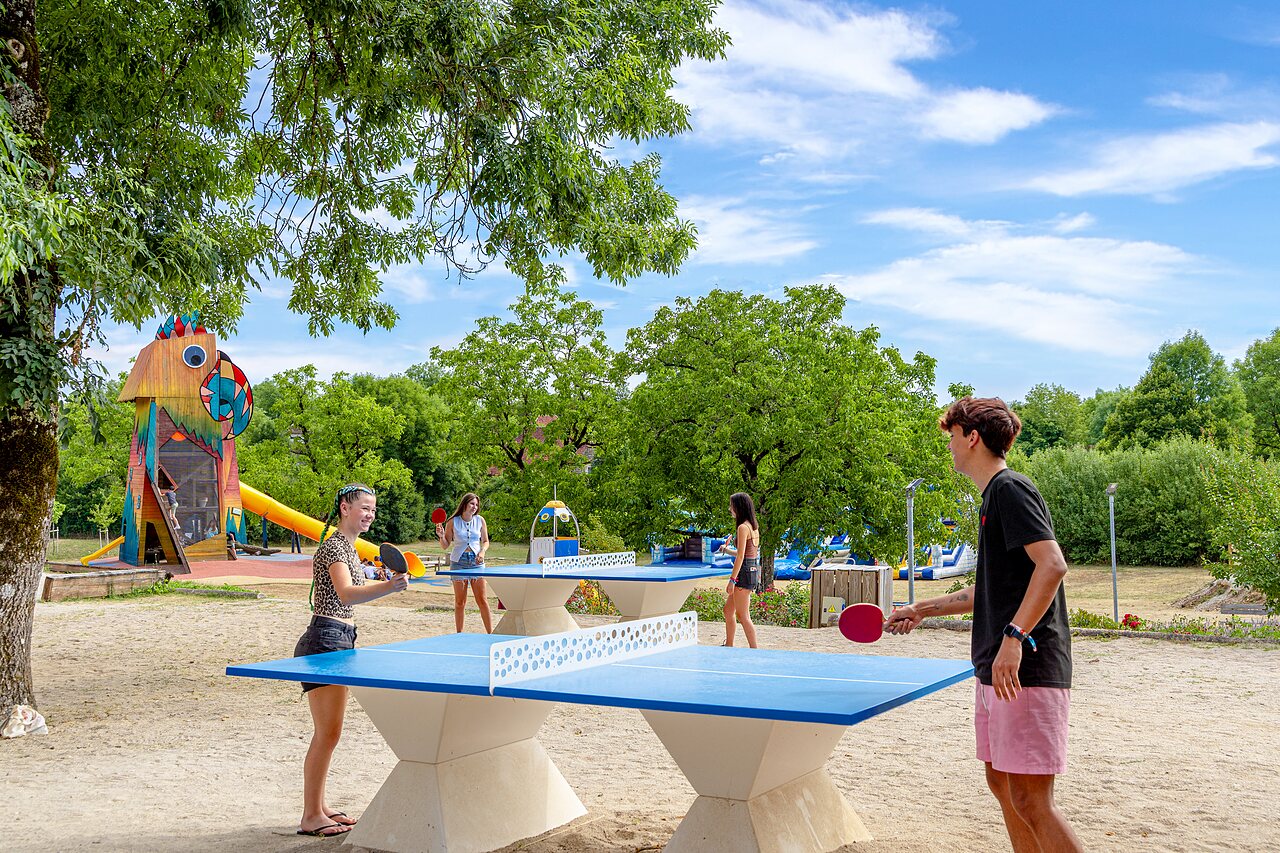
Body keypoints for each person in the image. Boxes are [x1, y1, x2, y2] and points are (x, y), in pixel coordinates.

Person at [885, 397, 1082, 853]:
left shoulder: (1010, 488)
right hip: (997, 669)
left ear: (972, 437)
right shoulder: (993, 496)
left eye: (952, 436)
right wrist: (922, 608)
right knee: (1002, 785)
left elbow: (1052, 565)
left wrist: (1015, 637)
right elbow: (989, 589)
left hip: (1026, 669)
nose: (949, 446)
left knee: (1031, 800)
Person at [292, 483, 409, 838]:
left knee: (331, 733)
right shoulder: (334, 546)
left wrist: (382, 580)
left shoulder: (348, 547)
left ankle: (320, 807)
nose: (370, 514)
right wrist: (389, 587)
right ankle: (311, 816)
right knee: (327, 733)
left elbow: (351, 589)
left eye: (373, 509)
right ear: (345, 508)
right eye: (364, 508)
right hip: (325, 640)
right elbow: (345, 594)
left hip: (340, 638)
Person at [435, 492, 494, 633]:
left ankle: (490, 633)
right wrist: (441, 536)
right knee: (460, 602)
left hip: (477, 562)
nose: (475, 507)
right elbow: (445, 545)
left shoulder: (480, 520)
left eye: (476, 505)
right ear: (465, 504)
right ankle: (459, 634)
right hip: (458, 562)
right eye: (472, 504)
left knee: (482, 600)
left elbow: (486, 541)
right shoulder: (452, 521)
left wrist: (482, 552)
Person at [722, 491, 760, 648]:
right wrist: (726, 550)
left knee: (743, 616)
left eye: (732, 506)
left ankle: (754, 649)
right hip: (751, 570)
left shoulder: (743, 527)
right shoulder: (753, 527)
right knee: (728, 611)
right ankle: (729, 645)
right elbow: (744, 553)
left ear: (739, 507)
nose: (730, 509)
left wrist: (732, 580)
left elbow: (740, 557)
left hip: (743, 573)